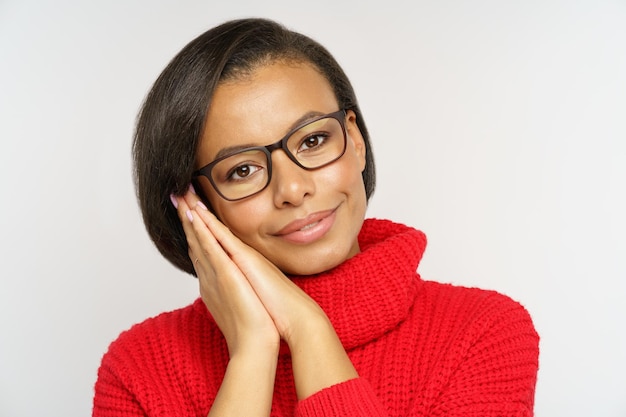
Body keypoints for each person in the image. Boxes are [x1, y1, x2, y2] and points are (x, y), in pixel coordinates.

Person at [92, 17, 539, 417]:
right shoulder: (139, 370)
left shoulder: (484, 334)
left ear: (355, 139)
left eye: (312, 141)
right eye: (242, 170)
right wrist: (252, 353)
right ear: (199, 206)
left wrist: (308, 331)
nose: (292, 189)